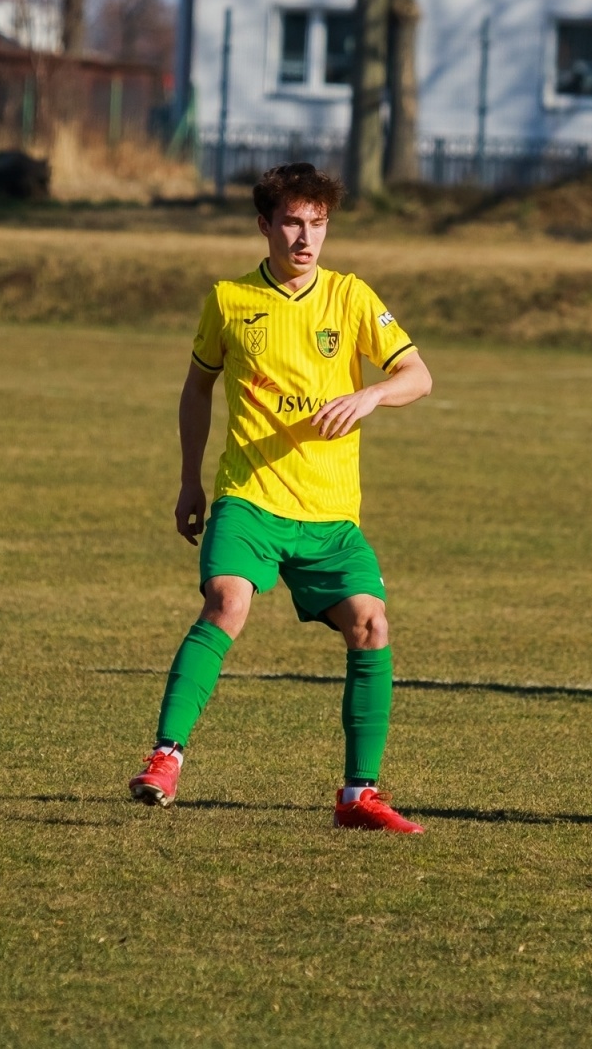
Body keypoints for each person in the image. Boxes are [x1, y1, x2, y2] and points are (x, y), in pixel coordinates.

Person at [125, 162, 434, 833]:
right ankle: (165, 758)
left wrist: (371, 393)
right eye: (292, 222)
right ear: (264, 224)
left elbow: (418, 375)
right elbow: (198, 388)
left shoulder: (351, 298)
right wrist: (188, 479)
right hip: (251, 500)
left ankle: (358, 797)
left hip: (329, 515)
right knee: (227, 600)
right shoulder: (230, 300)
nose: (305, 238)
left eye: (317, 224)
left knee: (372, 624)